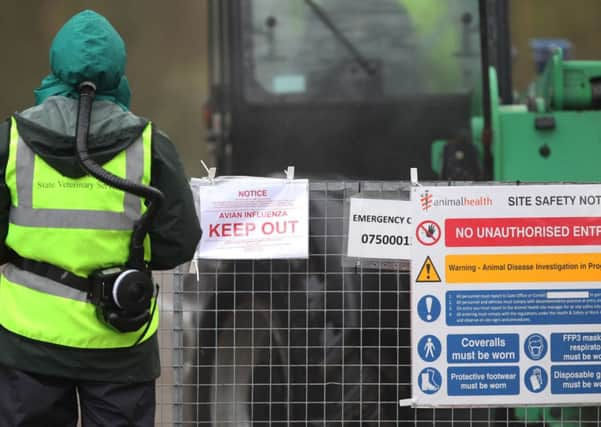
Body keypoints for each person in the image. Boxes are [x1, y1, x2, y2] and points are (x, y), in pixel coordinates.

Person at [0, 10, 201, 426]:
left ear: (57, 64)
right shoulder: (150, 144)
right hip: (119, 340)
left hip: (27, 341)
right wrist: (129, 254)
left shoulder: (11, 139)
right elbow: (178, 241)